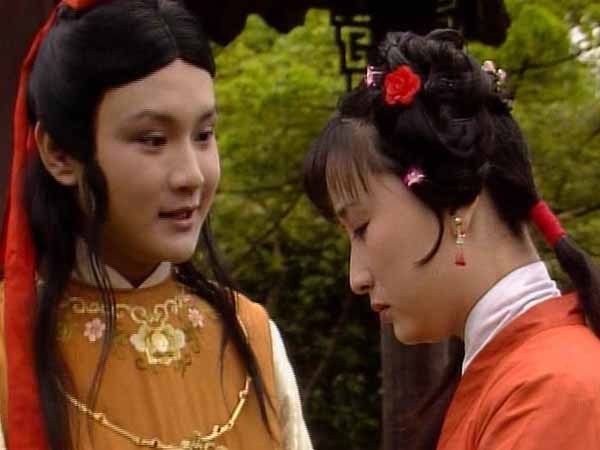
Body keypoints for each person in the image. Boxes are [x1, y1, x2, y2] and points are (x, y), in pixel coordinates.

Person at [0, 1, 314, 449]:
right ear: (59, 154)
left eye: (204, 135)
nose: (192, 175)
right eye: (153, 140)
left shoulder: (253, 335)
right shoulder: (8, 350)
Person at [303, 29, 600, 450]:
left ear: (459, 203)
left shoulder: (552, 390)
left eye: (362, 227)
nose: (357, 278)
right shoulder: (520, 371)